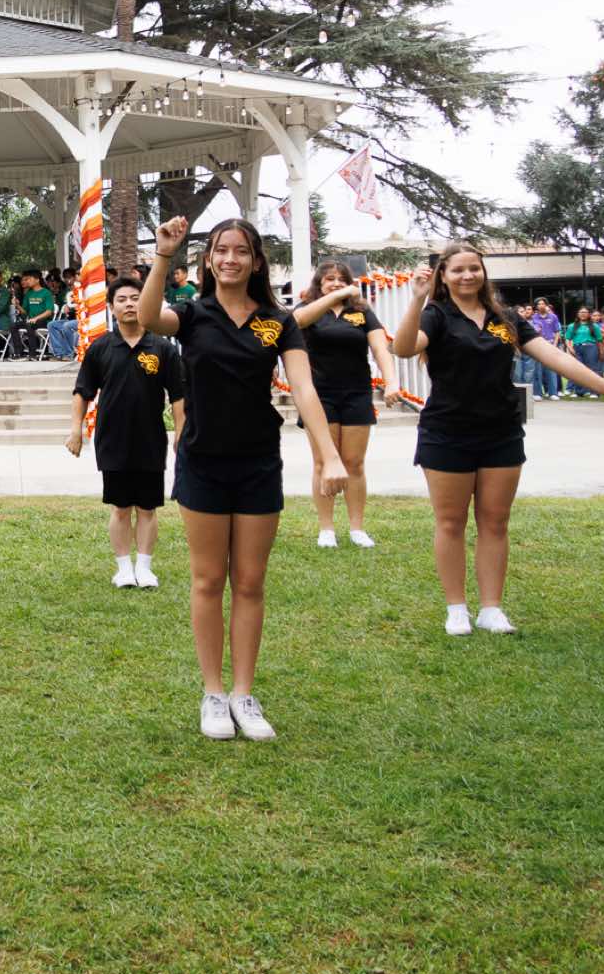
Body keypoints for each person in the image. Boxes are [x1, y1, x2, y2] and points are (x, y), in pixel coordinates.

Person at [140, 216, 348, 743]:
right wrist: (163, 255)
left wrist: (328, 456)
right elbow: (146, 316)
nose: (230, 259)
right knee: (208, 580)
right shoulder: (193, 315)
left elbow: (304, 388)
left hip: (258, 462)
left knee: (251, 582)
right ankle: (213, 693)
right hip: (202, 461)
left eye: (240, 251)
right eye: (220, 250)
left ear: (256, 261)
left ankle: (243, 694)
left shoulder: (278, 322)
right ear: (209, 260)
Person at [391, 244, 604, 638]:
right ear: (444, 276)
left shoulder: (505, 319)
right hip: (447, 432)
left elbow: (556, 358)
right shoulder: (436, 315)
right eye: (458, 270)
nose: (467, 276)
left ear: (484, 272)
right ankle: (456, 609)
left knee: (495, 522)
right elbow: (403, 348)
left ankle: (491, 609)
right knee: (450, 522)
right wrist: (417, 300)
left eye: (474, 268)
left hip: (501, 431)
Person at [67, 275, 185, 587]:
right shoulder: (101, 347)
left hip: (150, 440)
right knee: (120, 507)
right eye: (122, 299)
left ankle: (144, 568)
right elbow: (82, 391)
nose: (129, 304)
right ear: (111, 307)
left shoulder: (162, 348)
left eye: (135, 298)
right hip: (112, 440)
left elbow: (178, 396)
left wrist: (181, 434)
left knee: (147, 507)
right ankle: (123, 569)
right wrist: (76, 430)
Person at [292, 261, 403, 549]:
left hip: (356, 394)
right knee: (322, 462)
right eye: (330, 279)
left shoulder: (362, 312)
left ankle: (357, 528)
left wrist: (391, 381)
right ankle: (326, 529)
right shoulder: (309, 309)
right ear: (319, 283)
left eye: (342, 279)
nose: (337, 283)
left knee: (354, 462)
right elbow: (297, 321)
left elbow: (380, 348)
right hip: (318, 396)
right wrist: (335, 296)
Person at [13, 269, 57, 357]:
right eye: (27, 279)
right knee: (13, 326)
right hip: (30, 321)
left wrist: (36, 318)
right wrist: (17, 305)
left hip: (43, 321)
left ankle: (32, 353)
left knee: (29, 325)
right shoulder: (29, 293)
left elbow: (49, 312)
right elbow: (25, 312)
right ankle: (18, 352)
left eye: (30, 279)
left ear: (37, 280)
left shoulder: (46, 293)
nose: (27, 281)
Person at [563, 307, 604, 396]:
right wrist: (570, 348)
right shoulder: (572, 326)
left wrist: (601, 352)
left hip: (591, 347)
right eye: (581, 312)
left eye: (585, 312)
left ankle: (594, 392)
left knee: (592, 370)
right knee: (578, 370)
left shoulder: (594, 326)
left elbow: (599, 340)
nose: (583, 314)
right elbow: (567, 338)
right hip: (577, 347)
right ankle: (579, 392)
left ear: (589, 314)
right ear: (578, 314)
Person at [528, 298, 562, 398]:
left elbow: (557, 331)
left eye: (543, 303)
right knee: (537, 371)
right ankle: (537, 393)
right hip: (538, 345)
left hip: (550, 344)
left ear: (546, 305)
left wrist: (555, 344)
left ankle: (553, 393)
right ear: (536, 306)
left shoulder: (553, 316)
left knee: (551, 370)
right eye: (539, 304)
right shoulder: (533, 317)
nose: (541, 305)